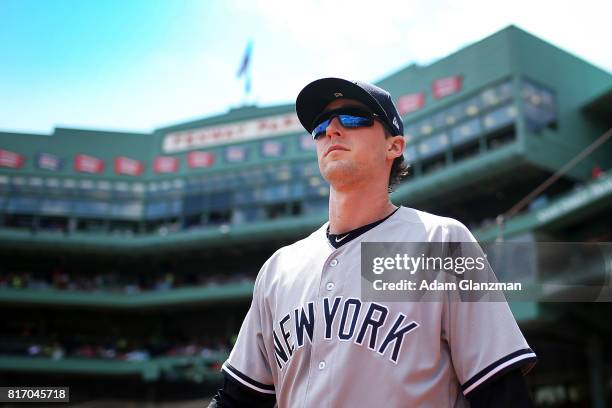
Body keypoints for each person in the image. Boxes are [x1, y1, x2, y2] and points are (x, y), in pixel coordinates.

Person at [209, 78, 536, 407]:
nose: (332, 130)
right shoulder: (279, 268)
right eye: (320, 126)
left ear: (394, 146)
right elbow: (237, 399)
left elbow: (501, 392)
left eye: (352, 118)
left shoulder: (442, 240)